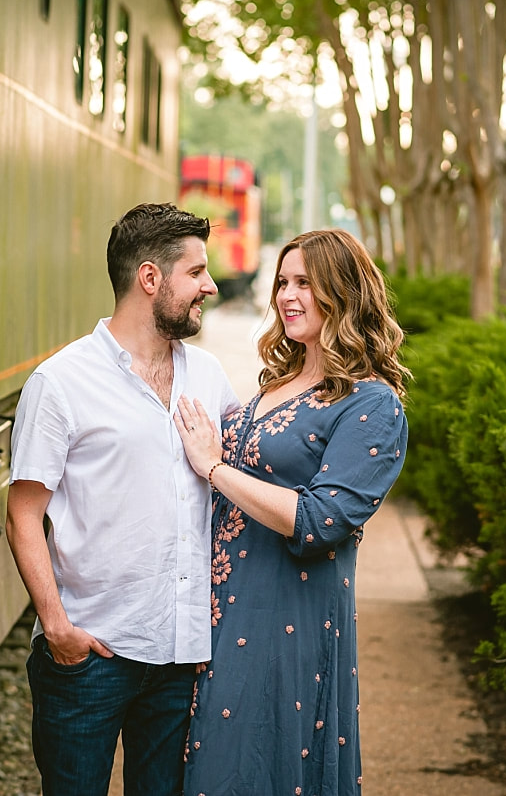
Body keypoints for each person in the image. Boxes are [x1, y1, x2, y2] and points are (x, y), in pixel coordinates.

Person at [4, 203, 242, 796]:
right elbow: (23, 513)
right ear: (151, 279)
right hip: (90, 657)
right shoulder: (60, 383)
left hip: (180, 660)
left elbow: (244, 479)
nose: (211, 286)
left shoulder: (208, 376)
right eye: (197, 273)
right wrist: (57, 629)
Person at [173, 228, 410, 795]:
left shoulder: (371, 404)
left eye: (306, 282)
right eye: (282, 281)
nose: (287, 295)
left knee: (253, 763)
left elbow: (321, 520)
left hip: (284, 620)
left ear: (344, 293)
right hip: (216, 614)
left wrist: (214, 468)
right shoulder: (275, 384)